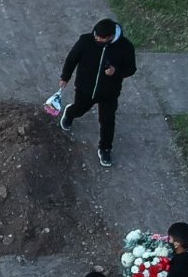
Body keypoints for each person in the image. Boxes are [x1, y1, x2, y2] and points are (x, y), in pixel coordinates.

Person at [58, 18, 137, 168]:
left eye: (101, 38)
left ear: (111, 37)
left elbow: (131, 69)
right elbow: (72, 59)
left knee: (107, 121)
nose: (97, 40)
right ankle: (69, 113)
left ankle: (105, 148)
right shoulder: (86, 41)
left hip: (109, 93)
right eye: (96, 36)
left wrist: (116, 72)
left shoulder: (126, 47)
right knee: (80, 109)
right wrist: (65, 77)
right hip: (85, 89)